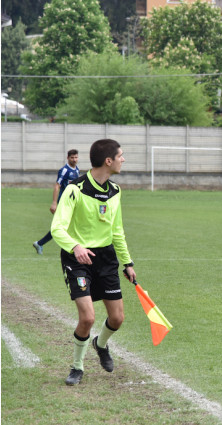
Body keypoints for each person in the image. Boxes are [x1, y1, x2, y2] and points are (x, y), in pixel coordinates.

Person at [51, 139, 136, 386]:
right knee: (87, 318)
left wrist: (127, 262)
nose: (123, 159)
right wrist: (76, 247)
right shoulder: (74, 190)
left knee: (117, 318)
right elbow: (57, 228)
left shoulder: (116, 191)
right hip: (77, 259)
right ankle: (77, 366)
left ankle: (100, 344)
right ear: (108, 161)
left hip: (106, 259)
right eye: (121, 156)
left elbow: (117, 231)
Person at [33, 149, 80, 255]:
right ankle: (41, 243)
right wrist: (54, 202)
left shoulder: (77, 170)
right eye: (72, 157)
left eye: (76, 157)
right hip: (64, 203)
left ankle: (40, 243)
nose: (74, 159)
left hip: (72, 203)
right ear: (67, 158)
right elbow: (57, 186)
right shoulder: (64, 170)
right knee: (61, 227)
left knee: (68, 226)